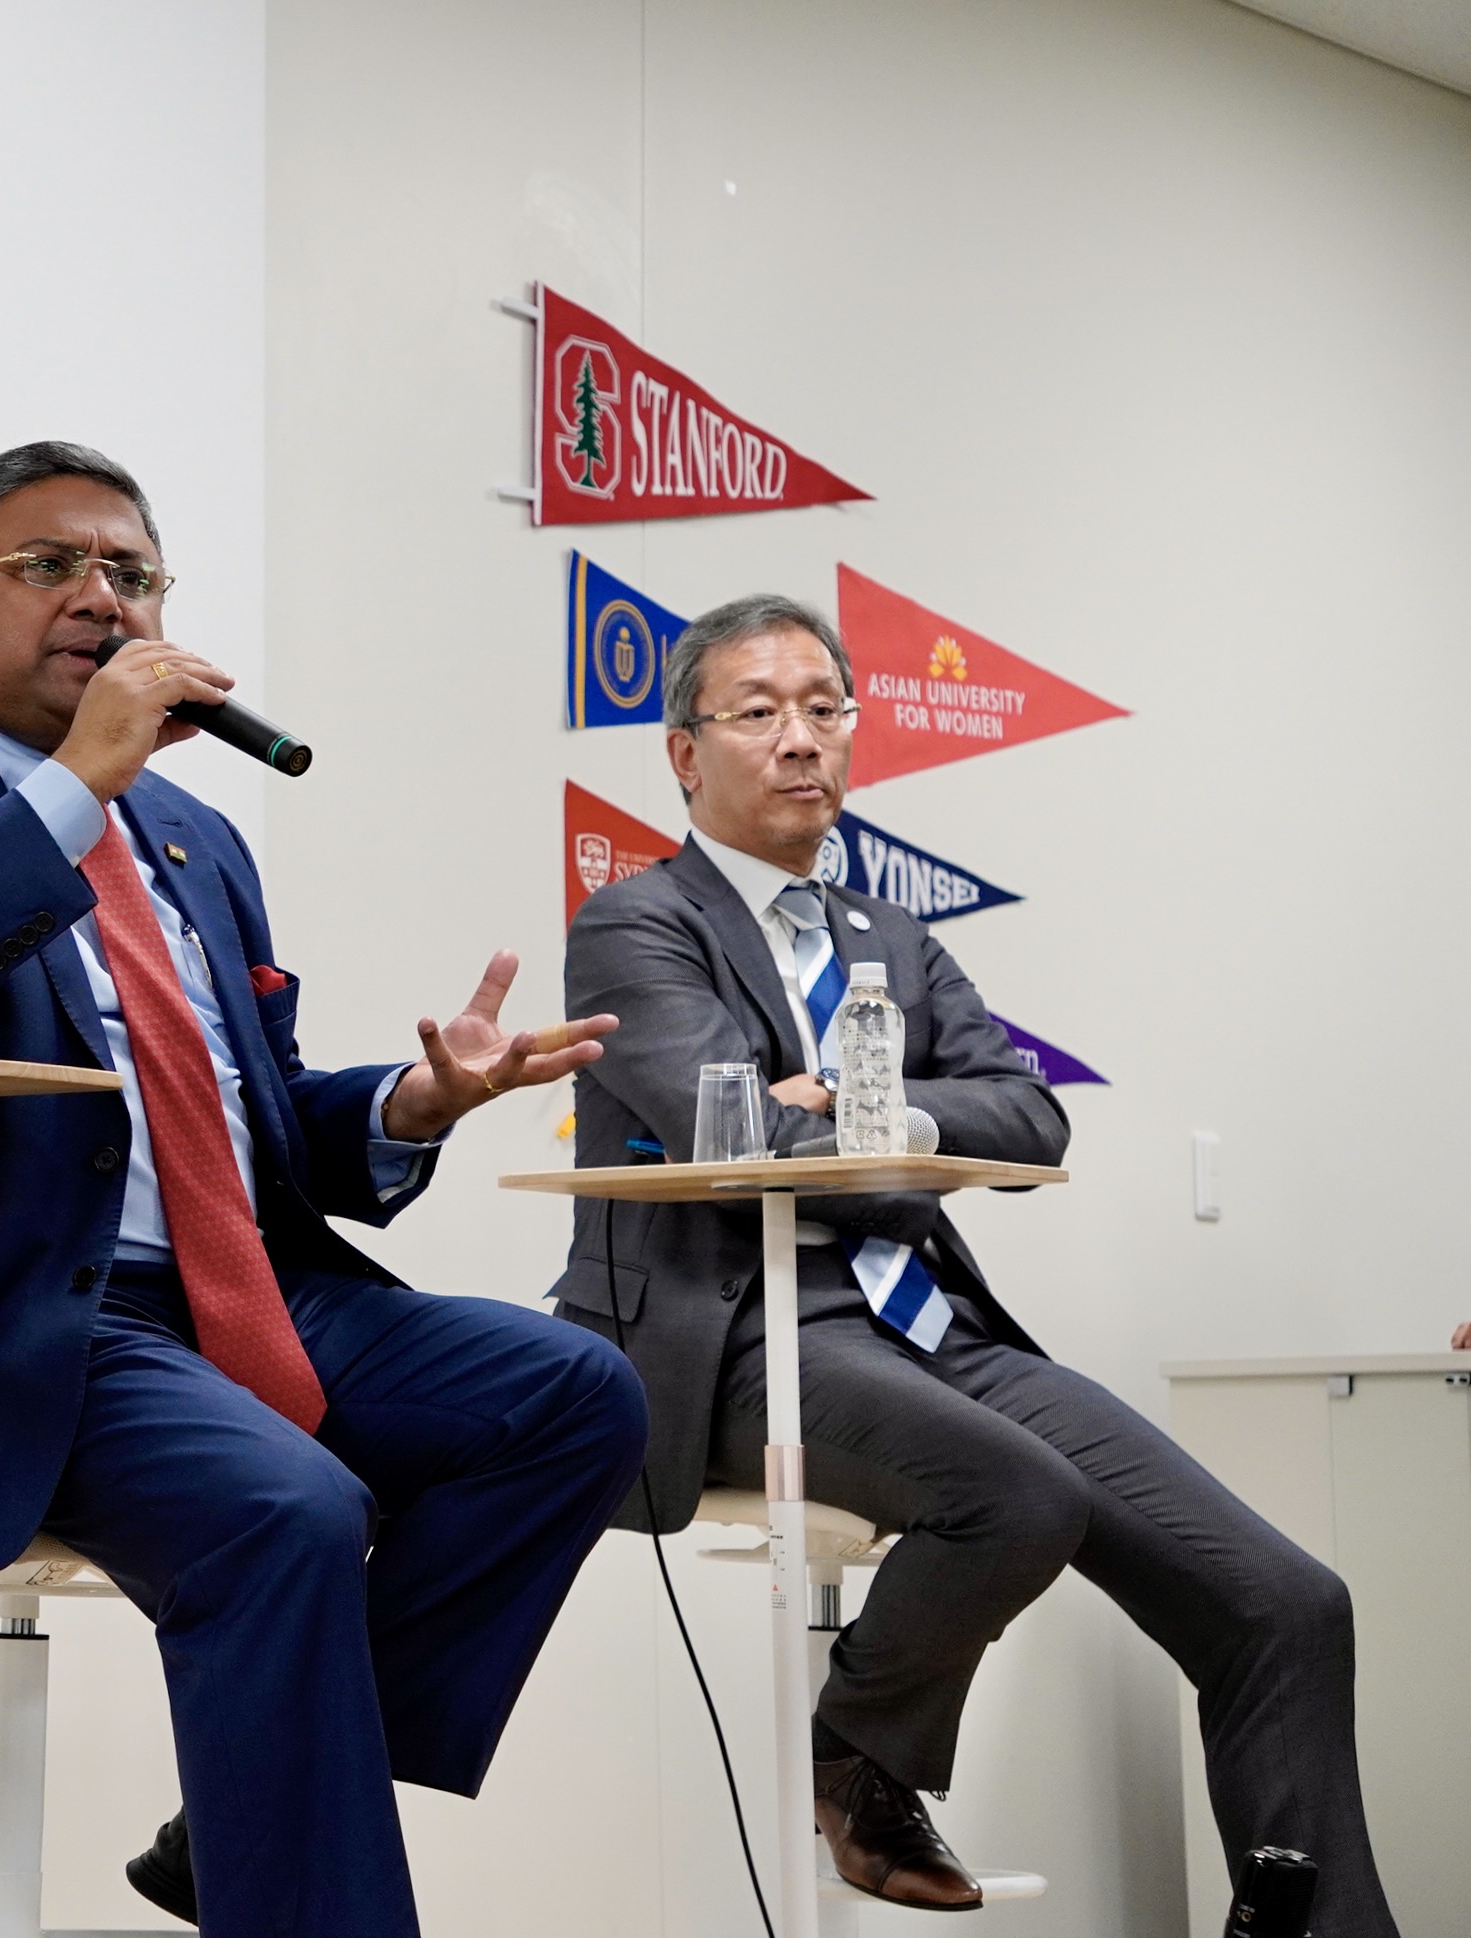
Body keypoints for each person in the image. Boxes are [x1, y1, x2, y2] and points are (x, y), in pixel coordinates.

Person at [0, 441, 647, 1936]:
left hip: (248, 1290)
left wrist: (417, 1102)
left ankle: (255, 1806)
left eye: (133, 575)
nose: (100, 596)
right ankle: (282, 1818)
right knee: (294, 1509)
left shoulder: (197, 837)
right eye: (52, 567)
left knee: (575, 1394)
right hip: (18, 1319)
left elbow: (255, 1120)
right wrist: (76, 784)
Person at [553, 593, 1397, 1929]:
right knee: (1021, 1490)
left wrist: (870, 1108)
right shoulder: (636, 924)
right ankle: (859, 1753)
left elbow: (1026, 1113)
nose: (799, 741)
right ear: (683, 751)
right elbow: (743, 1133)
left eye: (824, 709)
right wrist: (855, 1121)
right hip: (747, 1335)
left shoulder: (890, 935)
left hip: (932, 1327)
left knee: (1287, 1601)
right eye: (758, 711)